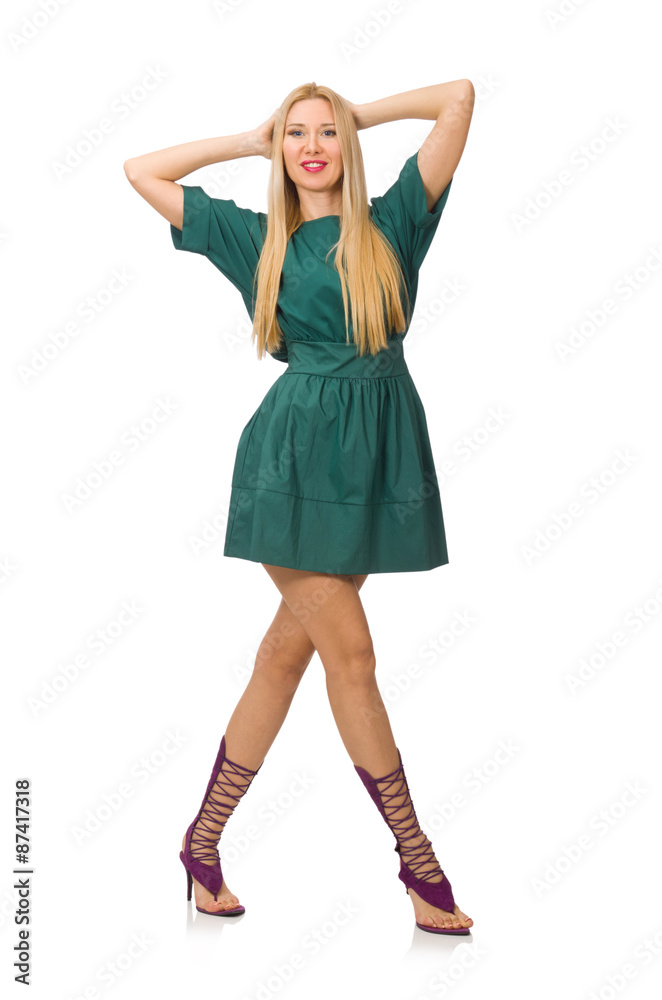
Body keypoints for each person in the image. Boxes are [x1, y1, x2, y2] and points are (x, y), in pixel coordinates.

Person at [124, 79, 475, 934]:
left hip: (375, 458)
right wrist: (250, 140)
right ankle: (418, 863)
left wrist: (358, 117)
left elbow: (459, 98)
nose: (312, 146)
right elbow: (142, 170)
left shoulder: (394, 222)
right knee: (351, 655)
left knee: (284, 659)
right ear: (281, 149)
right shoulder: (259, 239)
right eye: (297, 135)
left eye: (326, 133)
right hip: (291, 458)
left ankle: (200, 848)